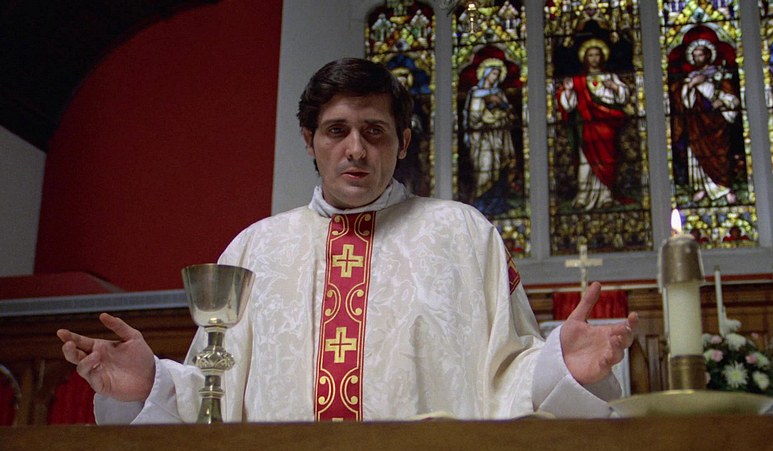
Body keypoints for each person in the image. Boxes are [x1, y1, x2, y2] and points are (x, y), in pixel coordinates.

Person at [57, 58, 638, 423]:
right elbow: (217, 395)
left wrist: (560, 366)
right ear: (309, 140)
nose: (355, 149)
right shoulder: (254, 250)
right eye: (336, 131)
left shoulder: (464, 235)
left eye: (374, 131)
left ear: (402, 143)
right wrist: (150, 383)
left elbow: (506, 375)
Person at [557, 39, 630, 210]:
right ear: (585, 58)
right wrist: (568, 90)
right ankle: (583, 196)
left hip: (607, 125)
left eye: (597, 54)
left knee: (607, 160)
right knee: (585, 162)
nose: (594, 58)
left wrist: (615, 87)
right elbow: (569, 106)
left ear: (602, 57)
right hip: (587, 126)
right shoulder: (578, 80)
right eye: (590, 55)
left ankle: (606, 196)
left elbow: (624, 97)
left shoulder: (610, 77)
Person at [671, 38, 743, 204]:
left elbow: (733, 99)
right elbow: (684, 102)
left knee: (720, 153)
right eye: (695, 56)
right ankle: (702, 186)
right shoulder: (690, 78)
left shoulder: (719, 74)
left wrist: (722, 102)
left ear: (708, 56)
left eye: (701, 55)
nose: (698, 58)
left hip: (717, 122)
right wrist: (691, 85)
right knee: (697, 153)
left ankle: (725, 186)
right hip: (696, 123)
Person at [463, 57, 516, 204]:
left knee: (498, 166)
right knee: (485, 166)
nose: (495, 78)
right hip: (481, 138)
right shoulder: (475, 92)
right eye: (493, 74)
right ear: (486, 73)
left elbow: (509, 114)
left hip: (498, 135)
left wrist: (502, 112)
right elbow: (473, 116)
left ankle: (496, 202)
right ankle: (480, 201)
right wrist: (490, 115)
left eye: (497, 75)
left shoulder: (499, 93)